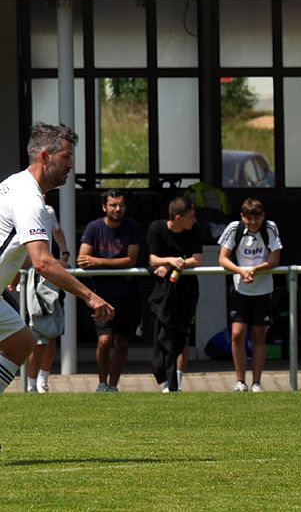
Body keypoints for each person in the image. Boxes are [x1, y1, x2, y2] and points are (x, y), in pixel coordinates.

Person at [0, 122, 114, 393]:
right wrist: (90, 296)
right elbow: (43, 262)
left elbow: (15, 243)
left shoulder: (14, 183)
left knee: (21, 343)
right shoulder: (29, 199)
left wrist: (12, 267)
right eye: (66, 156)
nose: (71, 165)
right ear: (45, 157)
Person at [79, 189, 142, 392]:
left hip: (128, 294)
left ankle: (113, 385)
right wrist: (117, 264)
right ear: (104, 207)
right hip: (101, 295)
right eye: (113, 205)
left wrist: (98, 261)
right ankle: (102, 383)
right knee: (104, 340)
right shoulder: (94, 227)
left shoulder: (132, 227)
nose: (117, 209)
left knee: (122, 341)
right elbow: (82, 259)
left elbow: (131, 260)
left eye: (121, 205)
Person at [218, 198, 282, 393]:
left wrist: (254, 270)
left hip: (263, 290)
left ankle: (256, 382)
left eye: (257, 218)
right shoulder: (234, 228)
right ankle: (240, 381)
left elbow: (275, 259)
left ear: (263, 216)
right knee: (237, 334)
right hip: (240, 289)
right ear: (242, 217)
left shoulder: (270, 228)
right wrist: (241, 271)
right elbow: (223, 259)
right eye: (249, 218)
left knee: (259, 335)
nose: (253, 222)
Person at [147, 196, 202, 393]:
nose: (194, 220)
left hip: (187, 292)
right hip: (163, 293)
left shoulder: (194, 230)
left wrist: (174, 265)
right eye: (191, 216)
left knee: (183, 334)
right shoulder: (156, 228)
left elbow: (197, 259)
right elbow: (153, 259)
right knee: (163, 334)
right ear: (178, 218)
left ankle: (176, 381)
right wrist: (170, 260)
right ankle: (165, 378)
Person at [23, 205, 69, 393]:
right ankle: (30, 383)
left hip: (47, 281)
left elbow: (57, 230)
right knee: (34, 335)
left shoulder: (48, 211)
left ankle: (42, 381)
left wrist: (65, 253)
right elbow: (28, 258)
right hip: (26, 282)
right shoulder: (18, 209)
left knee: (51, 331)